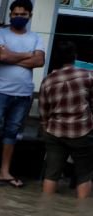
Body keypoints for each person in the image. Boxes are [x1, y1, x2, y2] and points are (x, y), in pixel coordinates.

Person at [0, 0, 44, 188]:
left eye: (23, 14)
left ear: (29, 16)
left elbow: (40, 61)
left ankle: (4, 172)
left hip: (23, 94)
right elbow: (2, 57)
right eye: (16, 14)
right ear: (10, 15)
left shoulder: (36, 37)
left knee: (11, 133)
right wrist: (28, 55)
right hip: (0, 91)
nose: (19, 17)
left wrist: (14, 57)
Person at [39, 41, 93, 199]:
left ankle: (45, 208)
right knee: (84, 174)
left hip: (54, 132)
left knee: (51, 173)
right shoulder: (87, 75)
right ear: (74, 57)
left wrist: (45, 129)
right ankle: (80, 209)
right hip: (82, 131)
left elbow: (44, 111)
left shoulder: (48, 80)